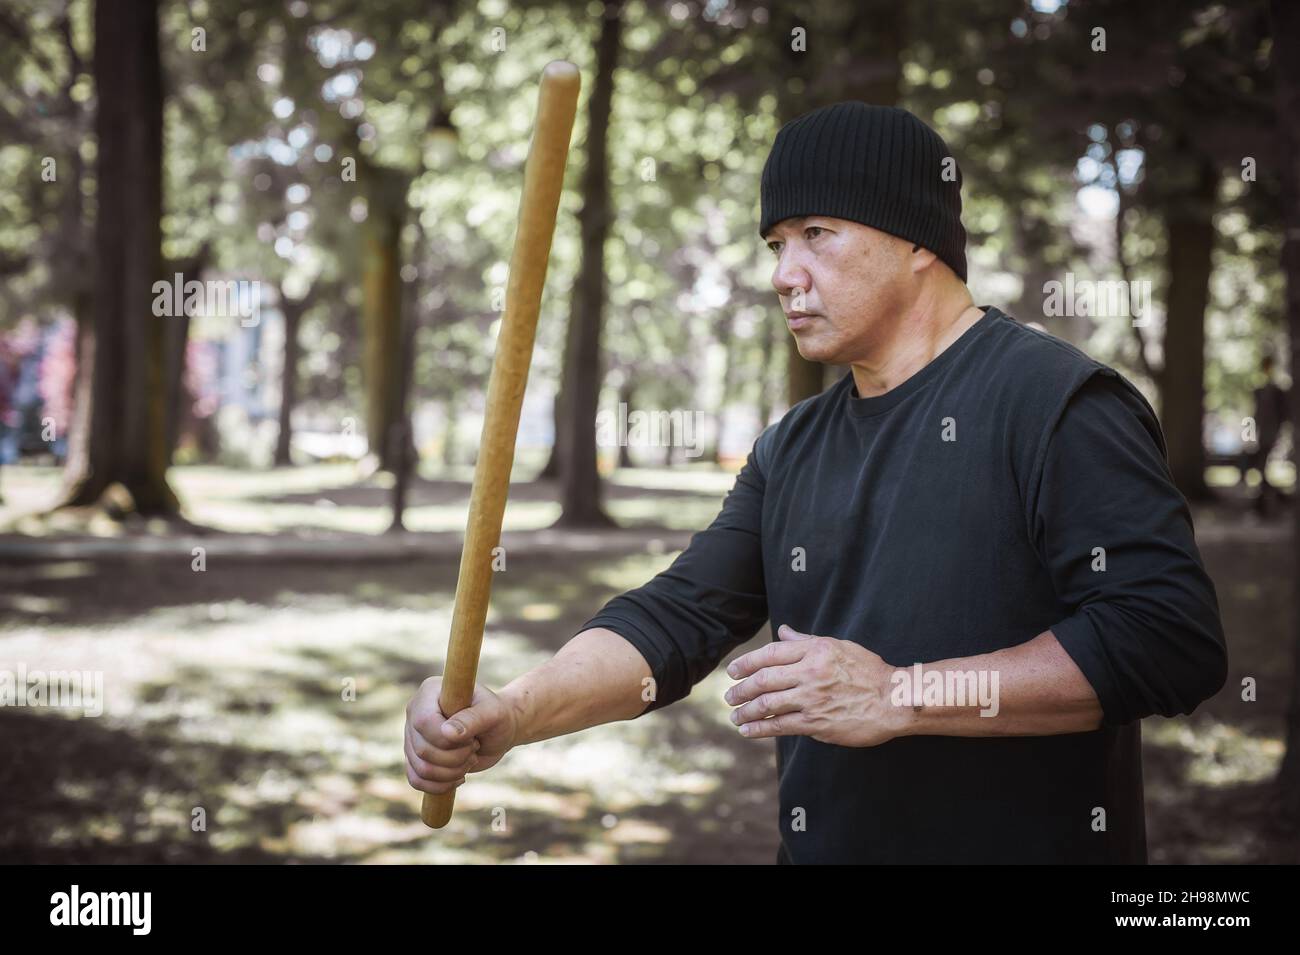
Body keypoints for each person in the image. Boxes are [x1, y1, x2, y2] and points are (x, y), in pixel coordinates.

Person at [404, 102, 1228, 864]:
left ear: (917, 240)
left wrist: (902, 695)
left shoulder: (1057, 404)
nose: (782, 273)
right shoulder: (793, 446)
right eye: (775, 244)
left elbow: (1165, 640)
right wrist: (512, 713)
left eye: (816, 233)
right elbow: (678, 616)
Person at [1250, 353, 1289, 517]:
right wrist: (1251, 436)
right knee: (1261, 469)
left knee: (1263, 468)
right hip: (1263, 435)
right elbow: (1255, 415)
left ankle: (1270, 504)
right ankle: (1269, 503)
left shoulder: (1277, 391)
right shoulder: (1258, 390)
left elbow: (1283, 415)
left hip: (1271, 434)